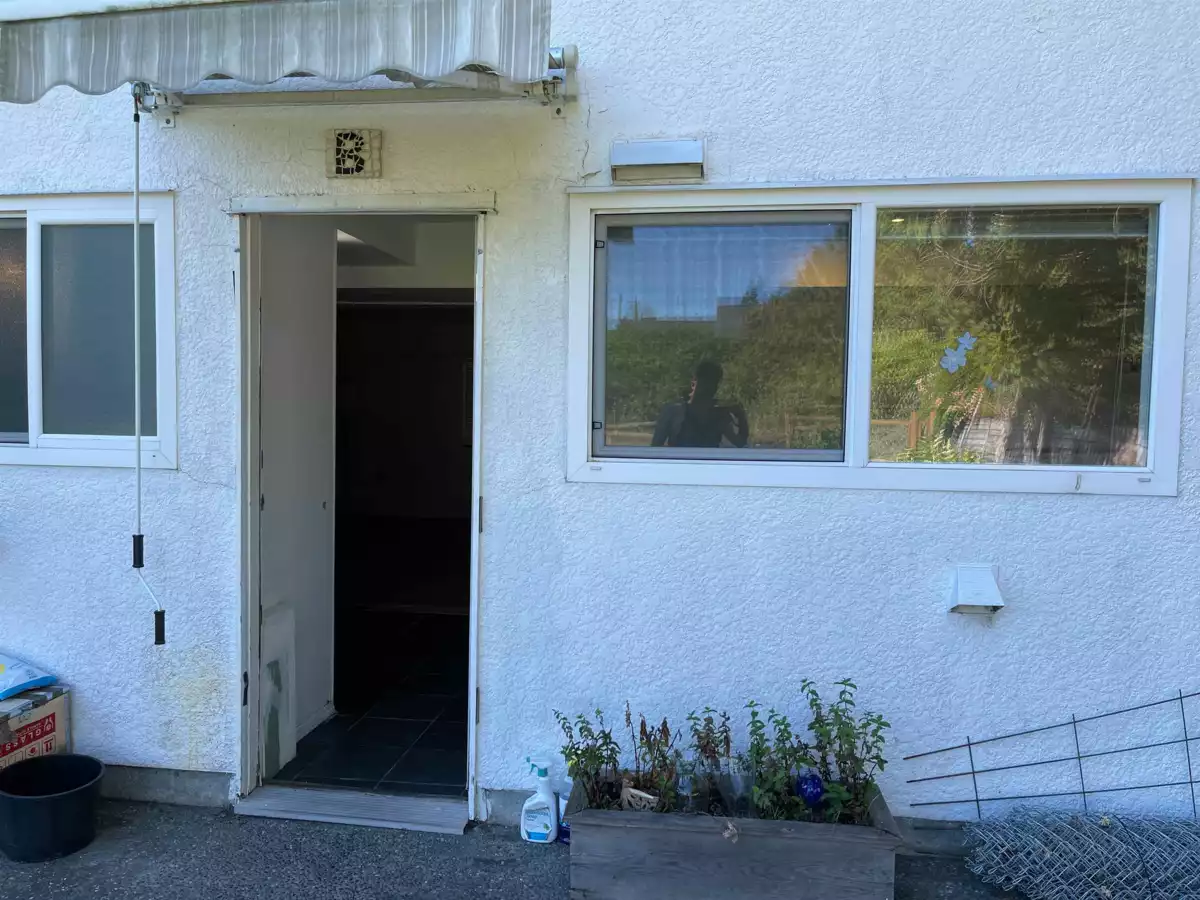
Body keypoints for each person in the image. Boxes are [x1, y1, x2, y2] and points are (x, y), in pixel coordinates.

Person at [651, 361, 749, 448]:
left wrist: (741, 416)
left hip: (707, 462)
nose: (708, 390)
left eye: (713, 385)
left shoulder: (717, 416)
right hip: (680, 461)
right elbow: (655, 448)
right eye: (704, 384)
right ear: (693, 384)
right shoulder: (673, 412)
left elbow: (740, 443)